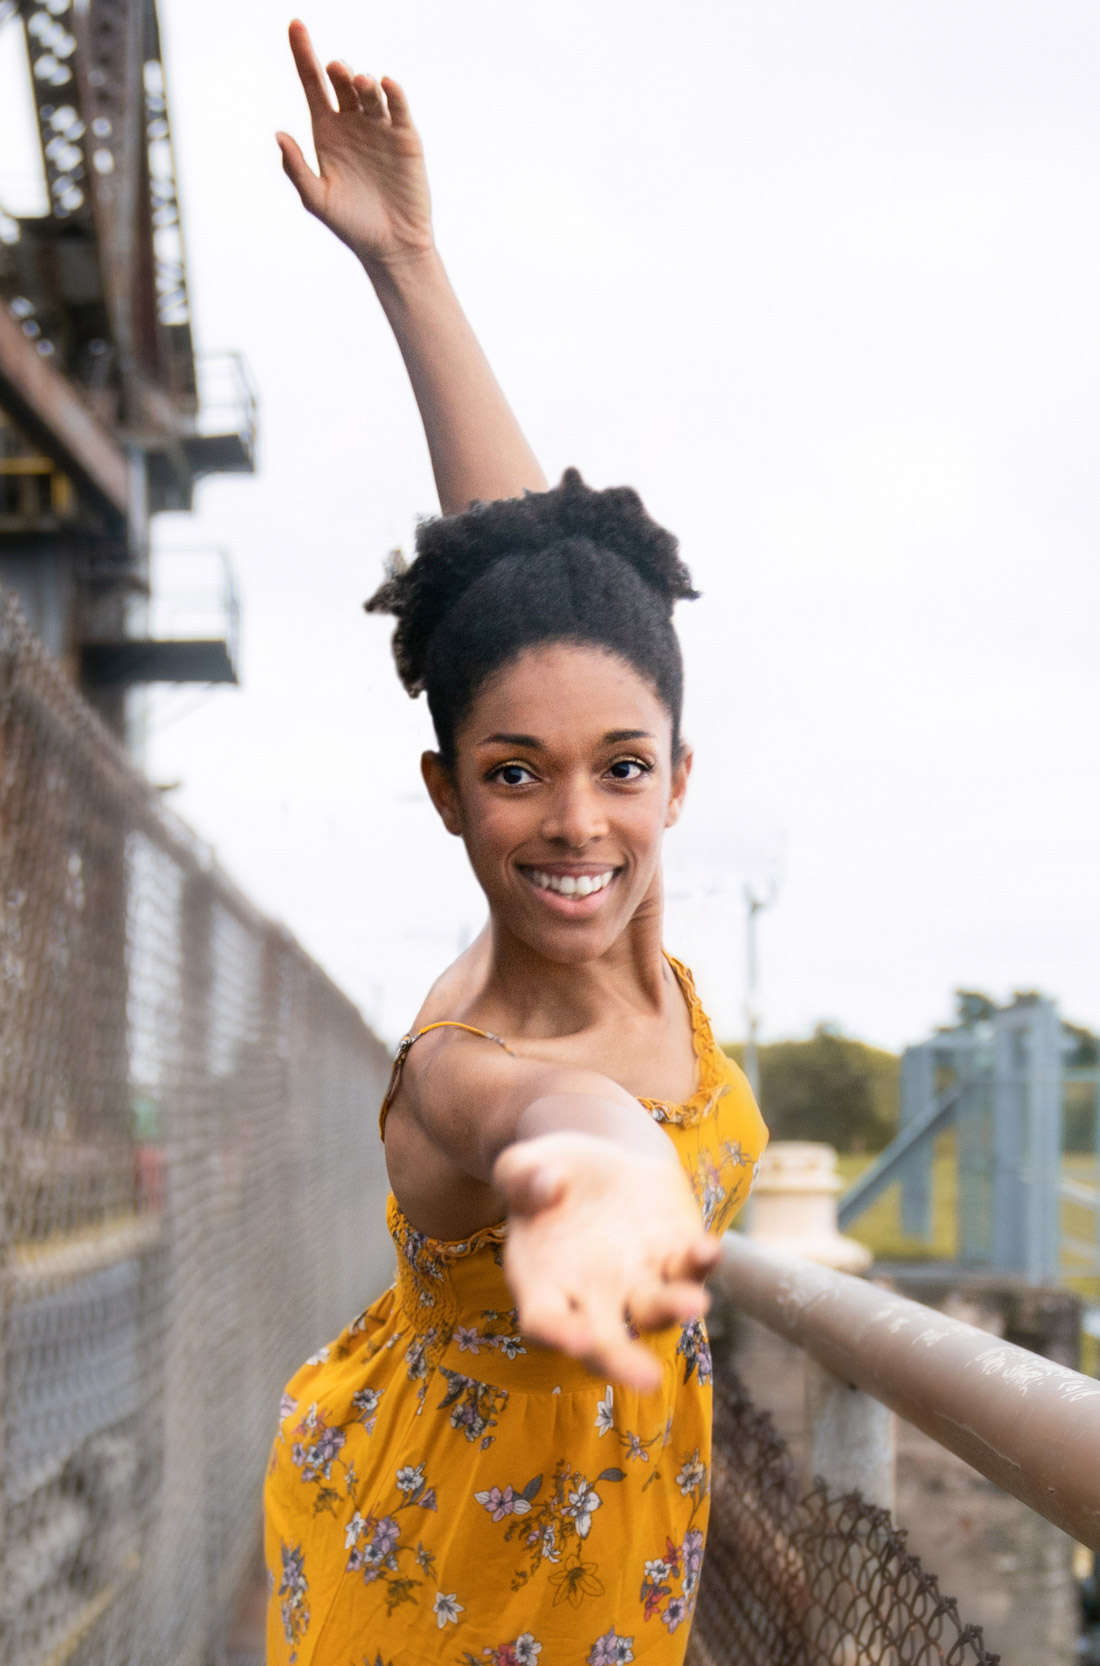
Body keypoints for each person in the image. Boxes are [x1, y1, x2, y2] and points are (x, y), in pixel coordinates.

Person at [264, 20, 768, 1663]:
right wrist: (600, 1172)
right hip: (432, 1610)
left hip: (598, 1592)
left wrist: (409, 262)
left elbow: (528, 596)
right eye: (512, 777)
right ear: (446, 796)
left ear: (679, 775)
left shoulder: (632, 915)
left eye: (621, 766)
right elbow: (556, 1113)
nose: (574, 820)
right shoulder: (465, 1061)